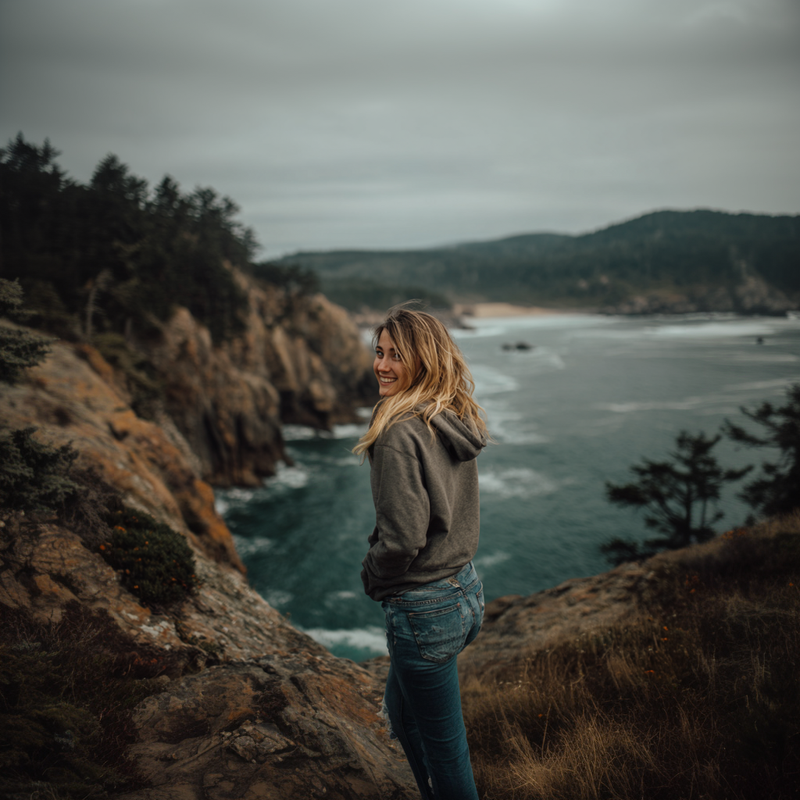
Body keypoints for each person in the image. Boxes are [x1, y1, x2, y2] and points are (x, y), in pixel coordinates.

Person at [353, 306, 488, 800]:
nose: (382, 365)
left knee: (446, 756)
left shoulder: (399, 431)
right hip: (465, 592)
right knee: (404, 714)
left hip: (424, 609)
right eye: (379, 352)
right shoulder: (450, 414)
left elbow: (402, 539)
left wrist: (373, 575)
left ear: (424, 359)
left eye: (396, 355)